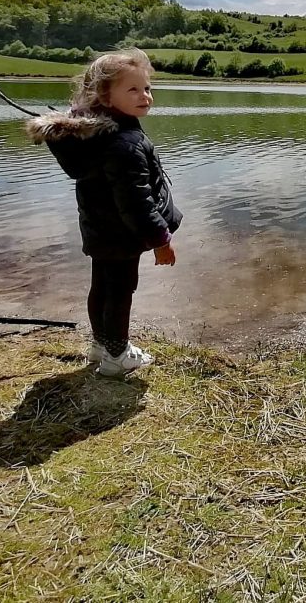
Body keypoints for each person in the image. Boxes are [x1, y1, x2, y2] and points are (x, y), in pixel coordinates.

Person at [24, 49, 181, 377]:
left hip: (101, 230)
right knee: (120, 291)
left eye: (148, 88)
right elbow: (137, 202)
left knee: (103, 287)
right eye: (133, 89)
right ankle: (117, 355)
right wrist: (160, 240)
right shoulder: (125, 143)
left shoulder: (96, 135)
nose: (145, 96)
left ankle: (101, 345)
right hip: (123, 234)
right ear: (104, 97)